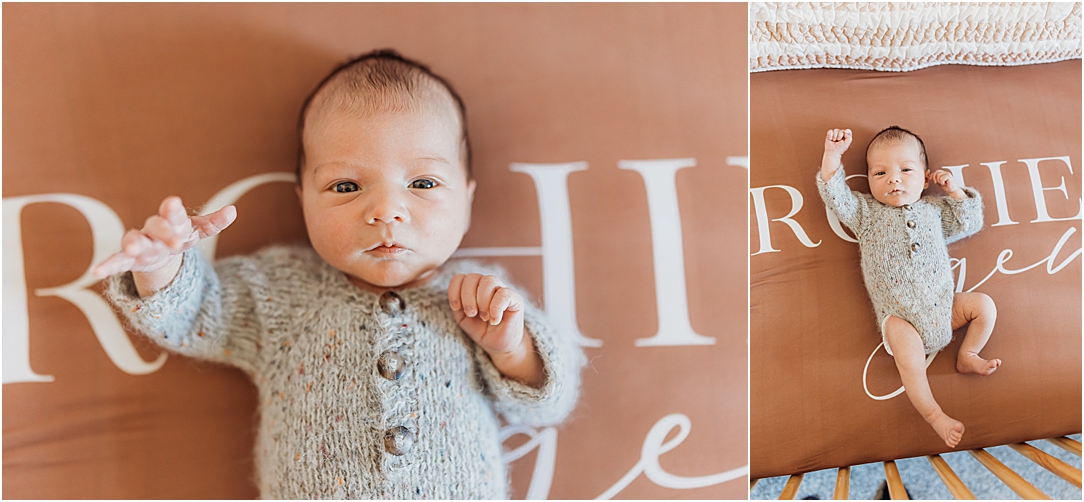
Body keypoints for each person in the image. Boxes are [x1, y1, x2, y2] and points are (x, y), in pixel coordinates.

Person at [92, 49, 582, 498]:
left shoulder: (477, 297)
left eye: (424, 182)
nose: (387, 210)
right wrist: (161, 265)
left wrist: (511, 350)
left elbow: (544, 405)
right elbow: (195, 313)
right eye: (347, 185)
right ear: (302, 201)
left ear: (468, 197)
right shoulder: (285, 292)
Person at [817, 126, 999, 448]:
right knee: (909, 361)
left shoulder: (933, 211)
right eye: (880, 172)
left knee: (984, 305)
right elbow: (836, 195)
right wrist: (833, 155)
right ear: (869, 178)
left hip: (946, 310)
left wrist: (954, 191)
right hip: (901, 320)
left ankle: (968, 353)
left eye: (905, 170)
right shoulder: (867, 214)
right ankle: (934, 414)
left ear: (926, 178)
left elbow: (970, 221)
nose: (894, 179)